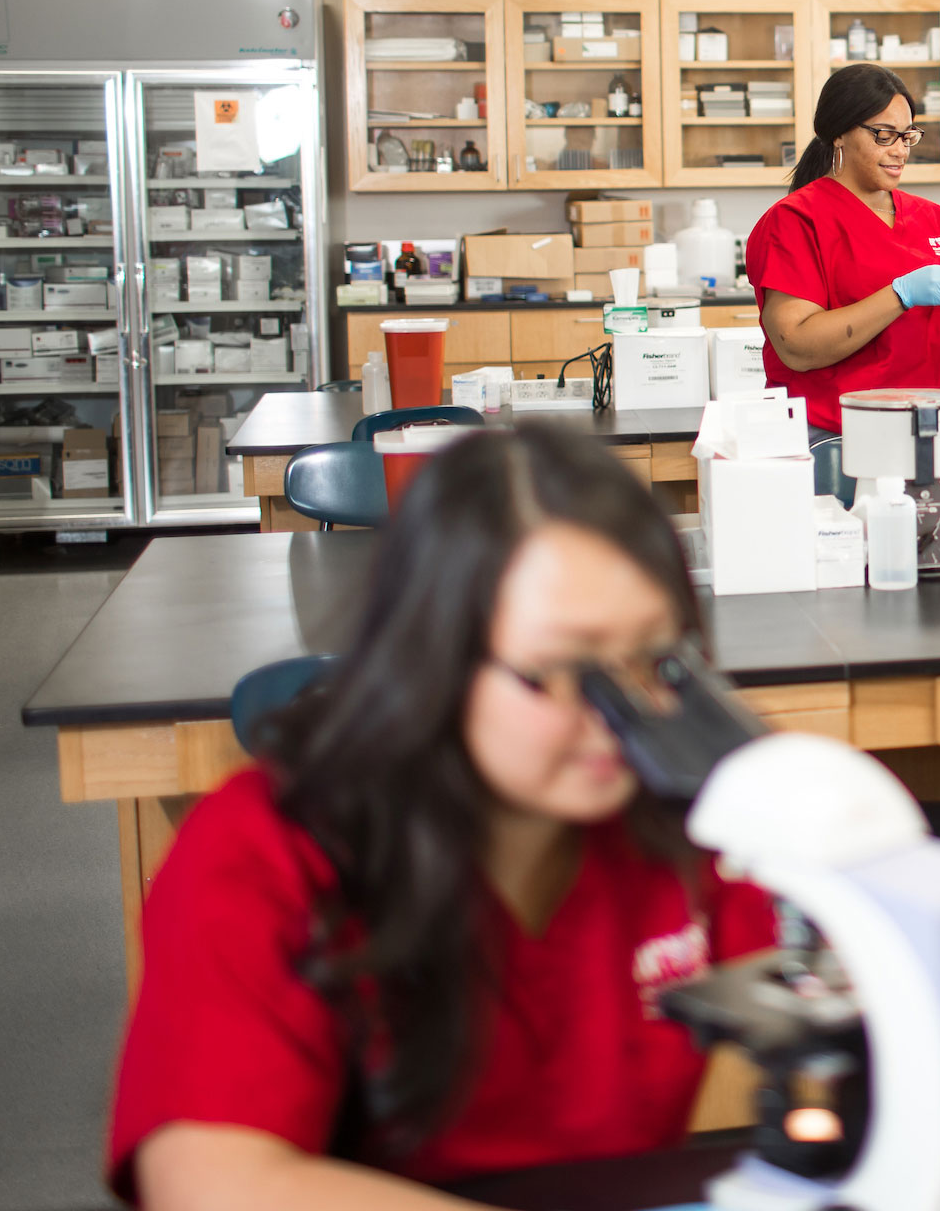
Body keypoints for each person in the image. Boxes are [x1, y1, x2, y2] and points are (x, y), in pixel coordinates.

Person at [107, 425, 776, 1209]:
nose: (620, 718)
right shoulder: (265, 850)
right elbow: (211, 1184)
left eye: (657, 663)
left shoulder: (686, 822)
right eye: (559, 673)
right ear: (439, 658)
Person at [747, 63, 940, 489]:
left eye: (907, 136)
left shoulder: (931, 219)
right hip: (840, 439)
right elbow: (796, 347)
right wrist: (901, 294)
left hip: (939, 432)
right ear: (839, 133)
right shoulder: (794, 221)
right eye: (883, 135)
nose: (900, 149)